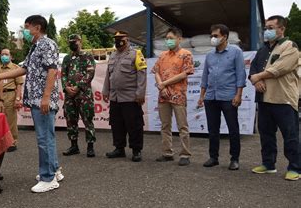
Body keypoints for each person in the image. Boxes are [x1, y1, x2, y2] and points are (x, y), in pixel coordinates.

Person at [0, 15, 62, 193]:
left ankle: (48, 177)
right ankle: (54, 170)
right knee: (47, 136)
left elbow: (52, 69)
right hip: (37, 99)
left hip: (42, 100)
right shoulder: (35, 47)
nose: (24, 31)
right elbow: (23, 69)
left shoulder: (47, 44)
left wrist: (45, 97)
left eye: (26, 27)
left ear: (37, 28)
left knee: (44, 138)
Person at [249, 15, 300, 181]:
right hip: (264, 98)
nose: (267, 31)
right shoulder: (262, 50)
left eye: (271, 28)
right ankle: (268, 164)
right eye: (265, 27)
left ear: (281, 29)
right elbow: (253, 70)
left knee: (290, 135)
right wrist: (255, 81)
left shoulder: (290, 46)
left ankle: (295, 167)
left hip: (283, 99)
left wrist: (259, 76)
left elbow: (281, 68)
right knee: (266, 134)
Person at [197, 24, 246, 170]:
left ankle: (234, 159)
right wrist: (201, 96)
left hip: (228, 97)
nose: (213, 38)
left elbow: (240, 75)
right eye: (211, 36)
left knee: (233, 129)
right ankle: (213, 157)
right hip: (211, 97)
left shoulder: (236, 52)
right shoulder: (209, 55)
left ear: (224, 36)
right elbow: (205, 76)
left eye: (215, 36)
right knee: (213, 130)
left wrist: (239, 95)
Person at [102, 31, 147, 162]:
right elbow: (108, 75)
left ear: (127, 39)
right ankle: (119, 148)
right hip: (115, 97)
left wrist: (140, 94)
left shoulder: (136, 54)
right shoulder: (113, 55)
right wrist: (106, 91)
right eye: (116, 39)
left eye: (120, 39)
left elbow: (142, 75)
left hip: (130, 97)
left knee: (134, 124)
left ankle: (136, 150)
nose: (117, 41)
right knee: (116, 124)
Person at [152, 27, 194, 166]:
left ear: (179, 39)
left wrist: (164, 84)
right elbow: (156, 71)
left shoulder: (186, 54)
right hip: (163, 96)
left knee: (182, 126)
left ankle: (185, 154)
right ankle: (167, 153)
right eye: (167, 38)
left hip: (178, 95)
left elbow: (184, 74)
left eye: (171, 38)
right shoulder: (163, 55)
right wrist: (161, 86)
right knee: (165, 126)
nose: (168, 41)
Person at [61, 34, 96, 157]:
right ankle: (74, 146)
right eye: (70, 42)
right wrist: (66, 87)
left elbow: (90, 73)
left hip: (84, 94)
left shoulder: (87, 56)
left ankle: (90, 146)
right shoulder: (67, 58)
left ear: (80, 41)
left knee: (88, 120)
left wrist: (78, 86)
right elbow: (63, 74)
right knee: (70, 120)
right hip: (70, 95)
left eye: (74, 41)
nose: (72, 44)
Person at [0, 48, 24, 152]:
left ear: (11, 56)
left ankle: (12, 142)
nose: (4, 56)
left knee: (11, 120)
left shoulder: (15, 68)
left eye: (6, 54)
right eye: (2, 54)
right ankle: (1, 142)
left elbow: (19, 85)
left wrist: (17, 99)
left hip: (10, 94)